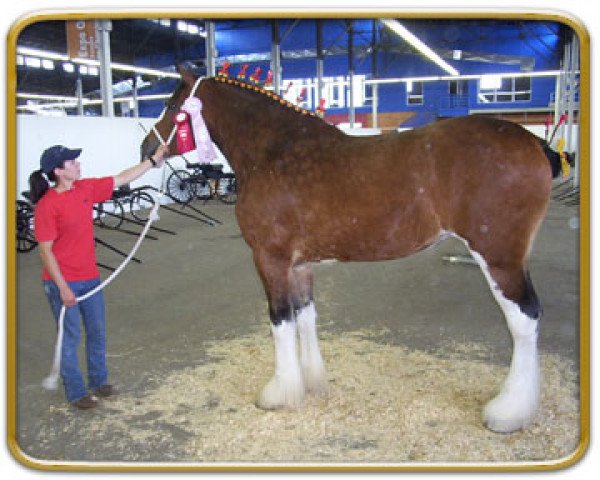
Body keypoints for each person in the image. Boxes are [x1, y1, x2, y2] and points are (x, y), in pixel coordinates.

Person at [29, 144, 169, 409]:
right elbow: (45, 252)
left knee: (97, 331)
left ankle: (99, 381)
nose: (78, 164)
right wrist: (63, 288)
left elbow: (123, 177)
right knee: (70, 337)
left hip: (90, 277)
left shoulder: (85, 189)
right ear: (58, 171)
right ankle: (76, 392)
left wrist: (153, 160)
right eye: (71, 163)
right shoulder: (47, 206)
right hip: (63, 282)